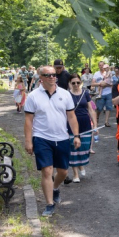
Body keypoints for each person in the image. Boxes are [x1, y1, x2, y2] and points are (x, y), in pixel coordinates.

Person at [24, 65, 81, 217]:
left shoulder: (65, 94)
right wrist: (28, 141)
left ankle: (55, 187)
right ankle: (49, 204)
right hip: (42, 138)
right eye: (48, 75)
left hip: (62, 137)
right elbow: (29, 121)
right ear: (40, 78)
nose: (52, 77)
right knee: (47, 170)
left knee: (63, 172)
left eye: (54, 75)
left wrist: (76, 135)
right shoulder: (33, 96)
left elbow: (71, 116)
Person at [67, 74, 97, 182]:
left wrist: (95, 125)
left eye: (78, 82)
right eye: (73, 83)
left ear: (81, 82)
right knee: (73, 148)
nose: (76, 85)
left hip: (85, 123)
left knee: (84, 147)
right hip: (71, 123)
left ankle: (81, 165)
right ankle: (75, 174)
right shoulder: (67, 95)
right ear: (70, 83)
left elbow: (90, 109)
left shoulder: (85, 93)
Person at [93, 62, 113, 127]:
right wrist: (100, 84)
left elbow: (112, 82)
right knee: (99, 108)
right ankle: (97, 118)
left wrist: (107, 84)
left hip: (109, 92)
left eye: (102, 65)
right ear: (98, 66)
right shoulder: (96, 74)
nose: (101, 66)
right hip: (100, 94)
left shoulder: (109, 73)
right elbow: (92, 84)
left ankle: (106, 122)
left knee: (108, 107)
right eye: (100, 65)